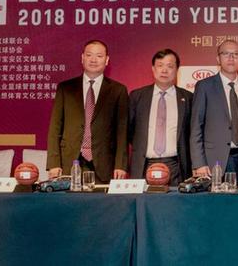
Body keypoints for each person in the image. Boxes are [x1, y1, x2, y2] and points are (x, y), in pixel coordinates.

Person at [46, 40, 129, 184]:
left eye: (99, 56)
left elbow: (122, 131)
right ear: (82, 58)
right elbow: (55, 127)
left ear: (107, 60)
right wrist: (54, 163)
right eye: (89, 55)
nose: (93, 60)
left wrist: (120, 165)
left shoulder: (118, 90)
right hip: (70, 161)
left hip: (104, 163)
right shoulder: (65, 88)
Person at [190, 39, 238, 184]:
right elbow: (196, 126)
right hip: (213, 160)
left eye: (235, 54)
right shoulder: (204, 86)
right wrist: (199, 163)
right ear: (218, 58)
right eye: (226, 53)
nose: (231, 58)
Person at [128, 49, 193, 186]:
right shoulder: (137, 96)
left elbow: (192, 133)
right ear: (153, 69)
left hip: (176, 166)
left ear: (177, 70)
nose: (164, 70)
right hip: (143, 164)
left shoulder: (188, 98)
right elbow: (129, 131)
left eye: (170, 66)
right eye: (160, 65)